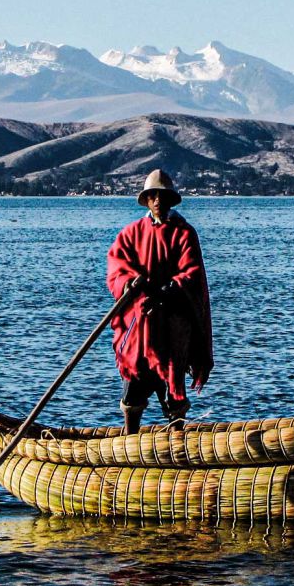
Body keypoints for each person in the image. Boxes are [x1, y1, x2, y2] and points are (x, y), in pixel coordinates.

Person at [106, 169, 213, 434]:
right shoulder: (132, 233)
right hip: (140, 324)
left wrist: (168, 290)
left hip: (172, 325)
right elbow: (116, 267)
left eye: (162, 196)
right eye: (152, 196)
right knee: (133, 384)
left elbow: (192, 273)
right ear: (147, 200)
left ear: (170, 199)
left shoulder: (184, 233)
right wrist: (128, 283)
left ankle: (177, 442)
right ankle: (129, 442)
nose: (157, 201)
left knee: (172, 386)